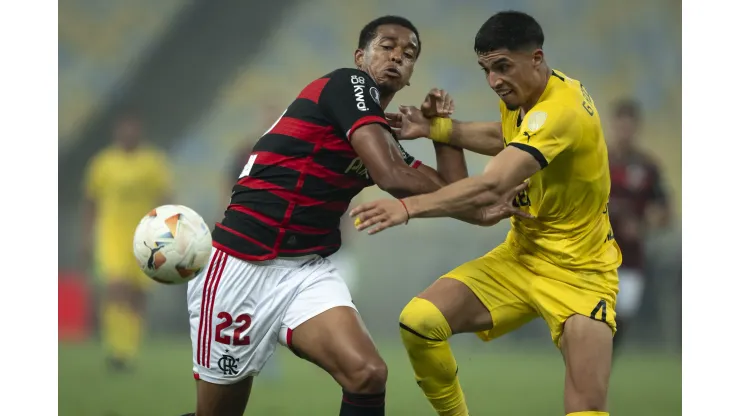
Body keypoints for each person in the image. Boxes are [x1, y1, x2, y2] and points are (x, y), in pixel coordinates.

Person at [183, 15, 525, 416]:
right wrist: (478, 205)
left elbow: (451, 196)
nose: (398, 56)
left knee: (367, 373)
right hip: (240, 263)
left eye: (409, 53)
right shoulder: (347, 84)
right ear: (360, 56)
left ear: (411, 74)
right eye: (387, 46)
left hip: (304, 271)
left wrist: (441, 132)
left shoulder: (382, 134)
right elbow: (393, 178)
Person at [352, 11, 621, 416]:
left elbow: (492, 185)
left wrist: (407, 208)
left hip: (580, 273)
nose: (494, 80)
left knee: (586, 408)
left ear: (536, 57)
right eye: (486, 69)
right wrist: (437, 129)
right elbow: (507, 137)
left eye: (502, 66)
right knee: (420, 321)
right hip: (522, 257)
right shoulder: (530, 98)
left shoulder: (561, 111)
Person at [82, 112, 172, 372]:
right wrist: (87, 237)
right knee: (115, 287)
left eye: (133, 127)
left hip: (145, 235)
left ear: (140, 130)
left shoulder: (153, 162)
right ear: (117, 130)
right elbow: (90, 202)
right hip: (111, 234)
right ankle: (116, 348)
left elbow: (166, 198)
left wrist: (169, 235)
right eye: (124, 127)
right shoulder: (103, 163)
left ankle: (129, 351)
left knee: (138, 294)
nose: (128, 132)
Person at [606, 98, 671, 356]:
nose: (624, 132)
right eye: (620, 126)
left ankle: (602, 368)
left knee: (622, 318)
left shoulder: (647, 167)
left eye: (629, 126)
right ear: (613, 126)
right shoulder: (599, 160)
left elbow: (666, 211)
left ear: (636, 128)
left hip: (631, 258)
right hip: (596, 254)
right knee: (596, 317)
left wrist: (643, 227)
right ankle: (592, 371)